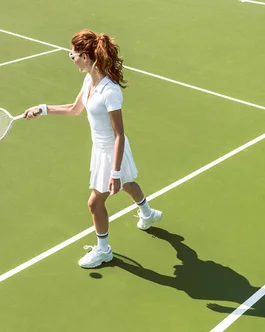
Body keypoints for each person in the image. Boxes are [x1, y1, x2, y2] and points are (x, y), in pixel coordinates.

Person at [23, 29, 162, 268]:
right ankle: (148, 214)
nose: (72, 58)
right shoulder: (89, 80)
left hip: (112, 151)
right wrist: (42, 108)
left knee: (95, 203)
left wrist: (115, 172)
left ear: (86, 57)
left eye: (73, 55)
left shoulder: (110, 92)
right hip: (100, 150)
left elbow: (119, 134)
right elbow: (75, 109)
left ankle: (103, 250)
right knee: (129, 184)